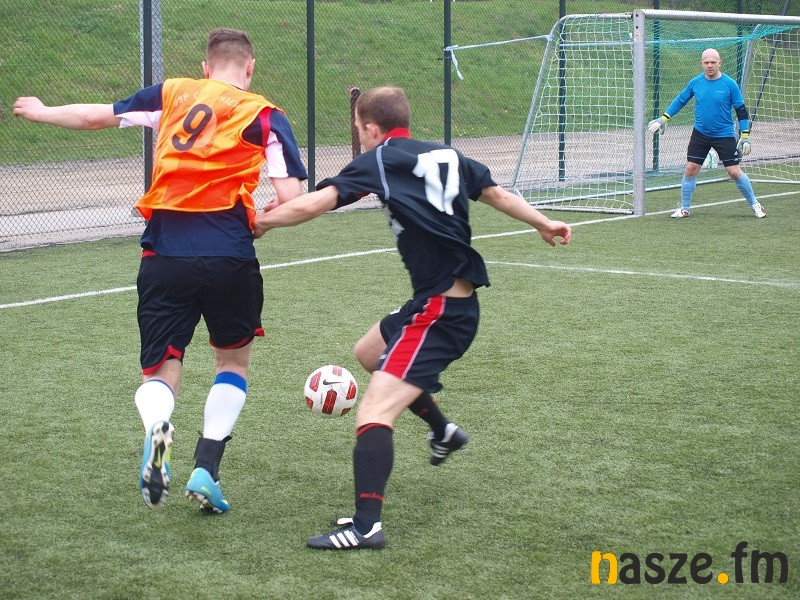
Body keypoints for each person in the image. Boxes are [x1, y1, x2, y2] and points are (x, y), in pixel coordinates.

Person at [253, 86, 571, 549]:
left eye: (358, 128)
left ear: (371, 128)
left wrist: (262, 221)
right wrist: (543, 221)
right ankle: (443, 431)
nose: (359, 136)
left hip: (440, 312)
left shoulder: (380, 160)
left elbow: (313, 204)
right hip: (436, 302)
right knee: (369, 352)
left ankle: (366, 527)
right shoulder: (447, 154)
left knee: (374, 412)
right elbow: (497, 194)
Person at [13, 28, 307, 513]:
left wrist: (43, 110)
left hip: (165, 253)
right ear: (250, 68)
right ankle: (206, 468)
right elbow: (292, 197)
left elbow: (96, 116)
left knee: (161, 370)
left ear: (206, 68)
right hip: (230, 254)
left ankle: (157, 429)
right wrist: (263, 219)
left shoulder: (173, 93)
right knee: (232, 364)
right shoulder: (266, 114)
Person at [648, 48, 766, 219]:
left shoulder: (729, 84)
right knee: (691, 169)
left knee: (734, 172)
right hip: (700, 134)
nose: (710, 65)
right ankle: (685, 209)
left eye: (713, 62)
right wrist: (664, 119)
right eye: (706, 62)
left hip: (724, 135)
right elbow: (681, 100)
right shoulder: (696, 82)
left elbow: (741, 110)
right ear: (702, 64)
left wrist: (745, 136)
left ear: (720, 63)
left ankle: (755, 204)